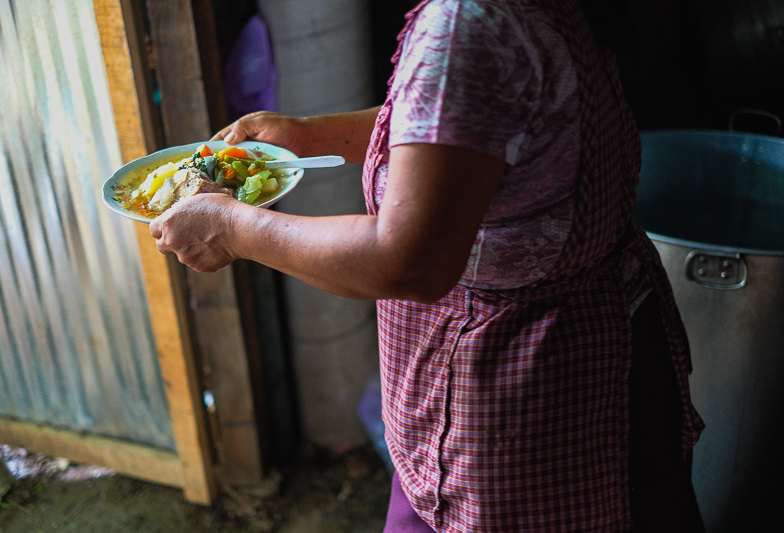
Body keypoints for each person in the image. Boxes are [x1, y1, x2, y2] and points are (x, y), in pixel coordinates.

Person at [150, 0, 706, 531]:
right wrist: (310, 135)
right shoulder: (491, 22)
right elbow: (470, 127)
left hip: (521, 391)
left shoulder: (469, 24)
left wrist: (232, 228)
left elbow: (407, 260)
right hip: (604, 344)